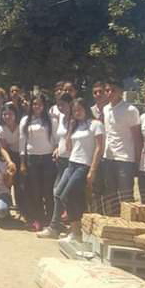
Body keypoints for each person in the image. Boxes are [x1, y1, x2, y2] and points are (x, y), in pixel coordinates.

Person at [38, 98, 105, 241]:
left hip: (84, 165)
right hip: (71, 163)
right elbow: (68, 147)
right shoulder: (76, 125)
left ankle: (76, 232)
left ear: (86, 109)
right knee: (59, 193)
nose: (77, 113)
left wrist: (92, 170)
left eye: (79, 109)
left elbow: (99, 148)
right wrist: (70, 129)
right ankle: (60, 229)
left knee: (70, 195)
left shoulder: (96, 125)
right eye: (74, 111)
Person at [102, 78, 141, 215]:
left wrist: (137, 159)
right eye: (107, 90)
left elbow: (137, 136)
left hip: (125, 158)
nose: (110, 93)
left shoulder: (130, 110)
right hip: (108, 157)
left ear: (121, 92)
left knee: (125, 195)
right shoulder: (105, 109)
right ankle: (113, 221)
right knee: (110, 193)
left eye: (113, 90)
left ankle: (128, 223)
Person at [19, 92, 56, 231]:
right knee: (35, 190)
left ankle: (50, 219)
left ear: (44, 105)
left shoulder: (50, 120)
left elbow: (55, 139)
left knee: (48, 190)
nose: (37, 106)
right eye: (34, 104)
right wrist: (22, 162)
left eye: (39, 104)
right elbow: (22, 142)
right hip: (32, 158)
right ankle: (37, 218)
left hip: (48, 158)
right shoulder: (25, 120)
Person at [0, 102, 24, 215]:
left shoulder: (21, 125)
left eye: (10, 114)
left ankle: (23, 208)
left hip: (24, 153)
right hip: (10, 154)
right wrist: (9, 161)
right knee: (9, 180)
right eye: (4, 114)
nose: (7, 117)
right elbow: (3, 148)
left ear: (15, 114)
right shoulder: (1, 129)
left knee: (21, 183)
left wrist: (22, 161)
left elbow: (24, 144)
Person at [53, 92, 74, 186]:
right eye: (58, 105)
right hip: (61, 158)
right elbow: (61, 138)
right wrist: (57, 148)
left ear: (70, 104)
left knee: (62, 190)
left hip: (72, 159)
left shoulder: (75, 118)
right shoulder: (61, 117)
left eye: (63, 105)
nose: (60, 108)